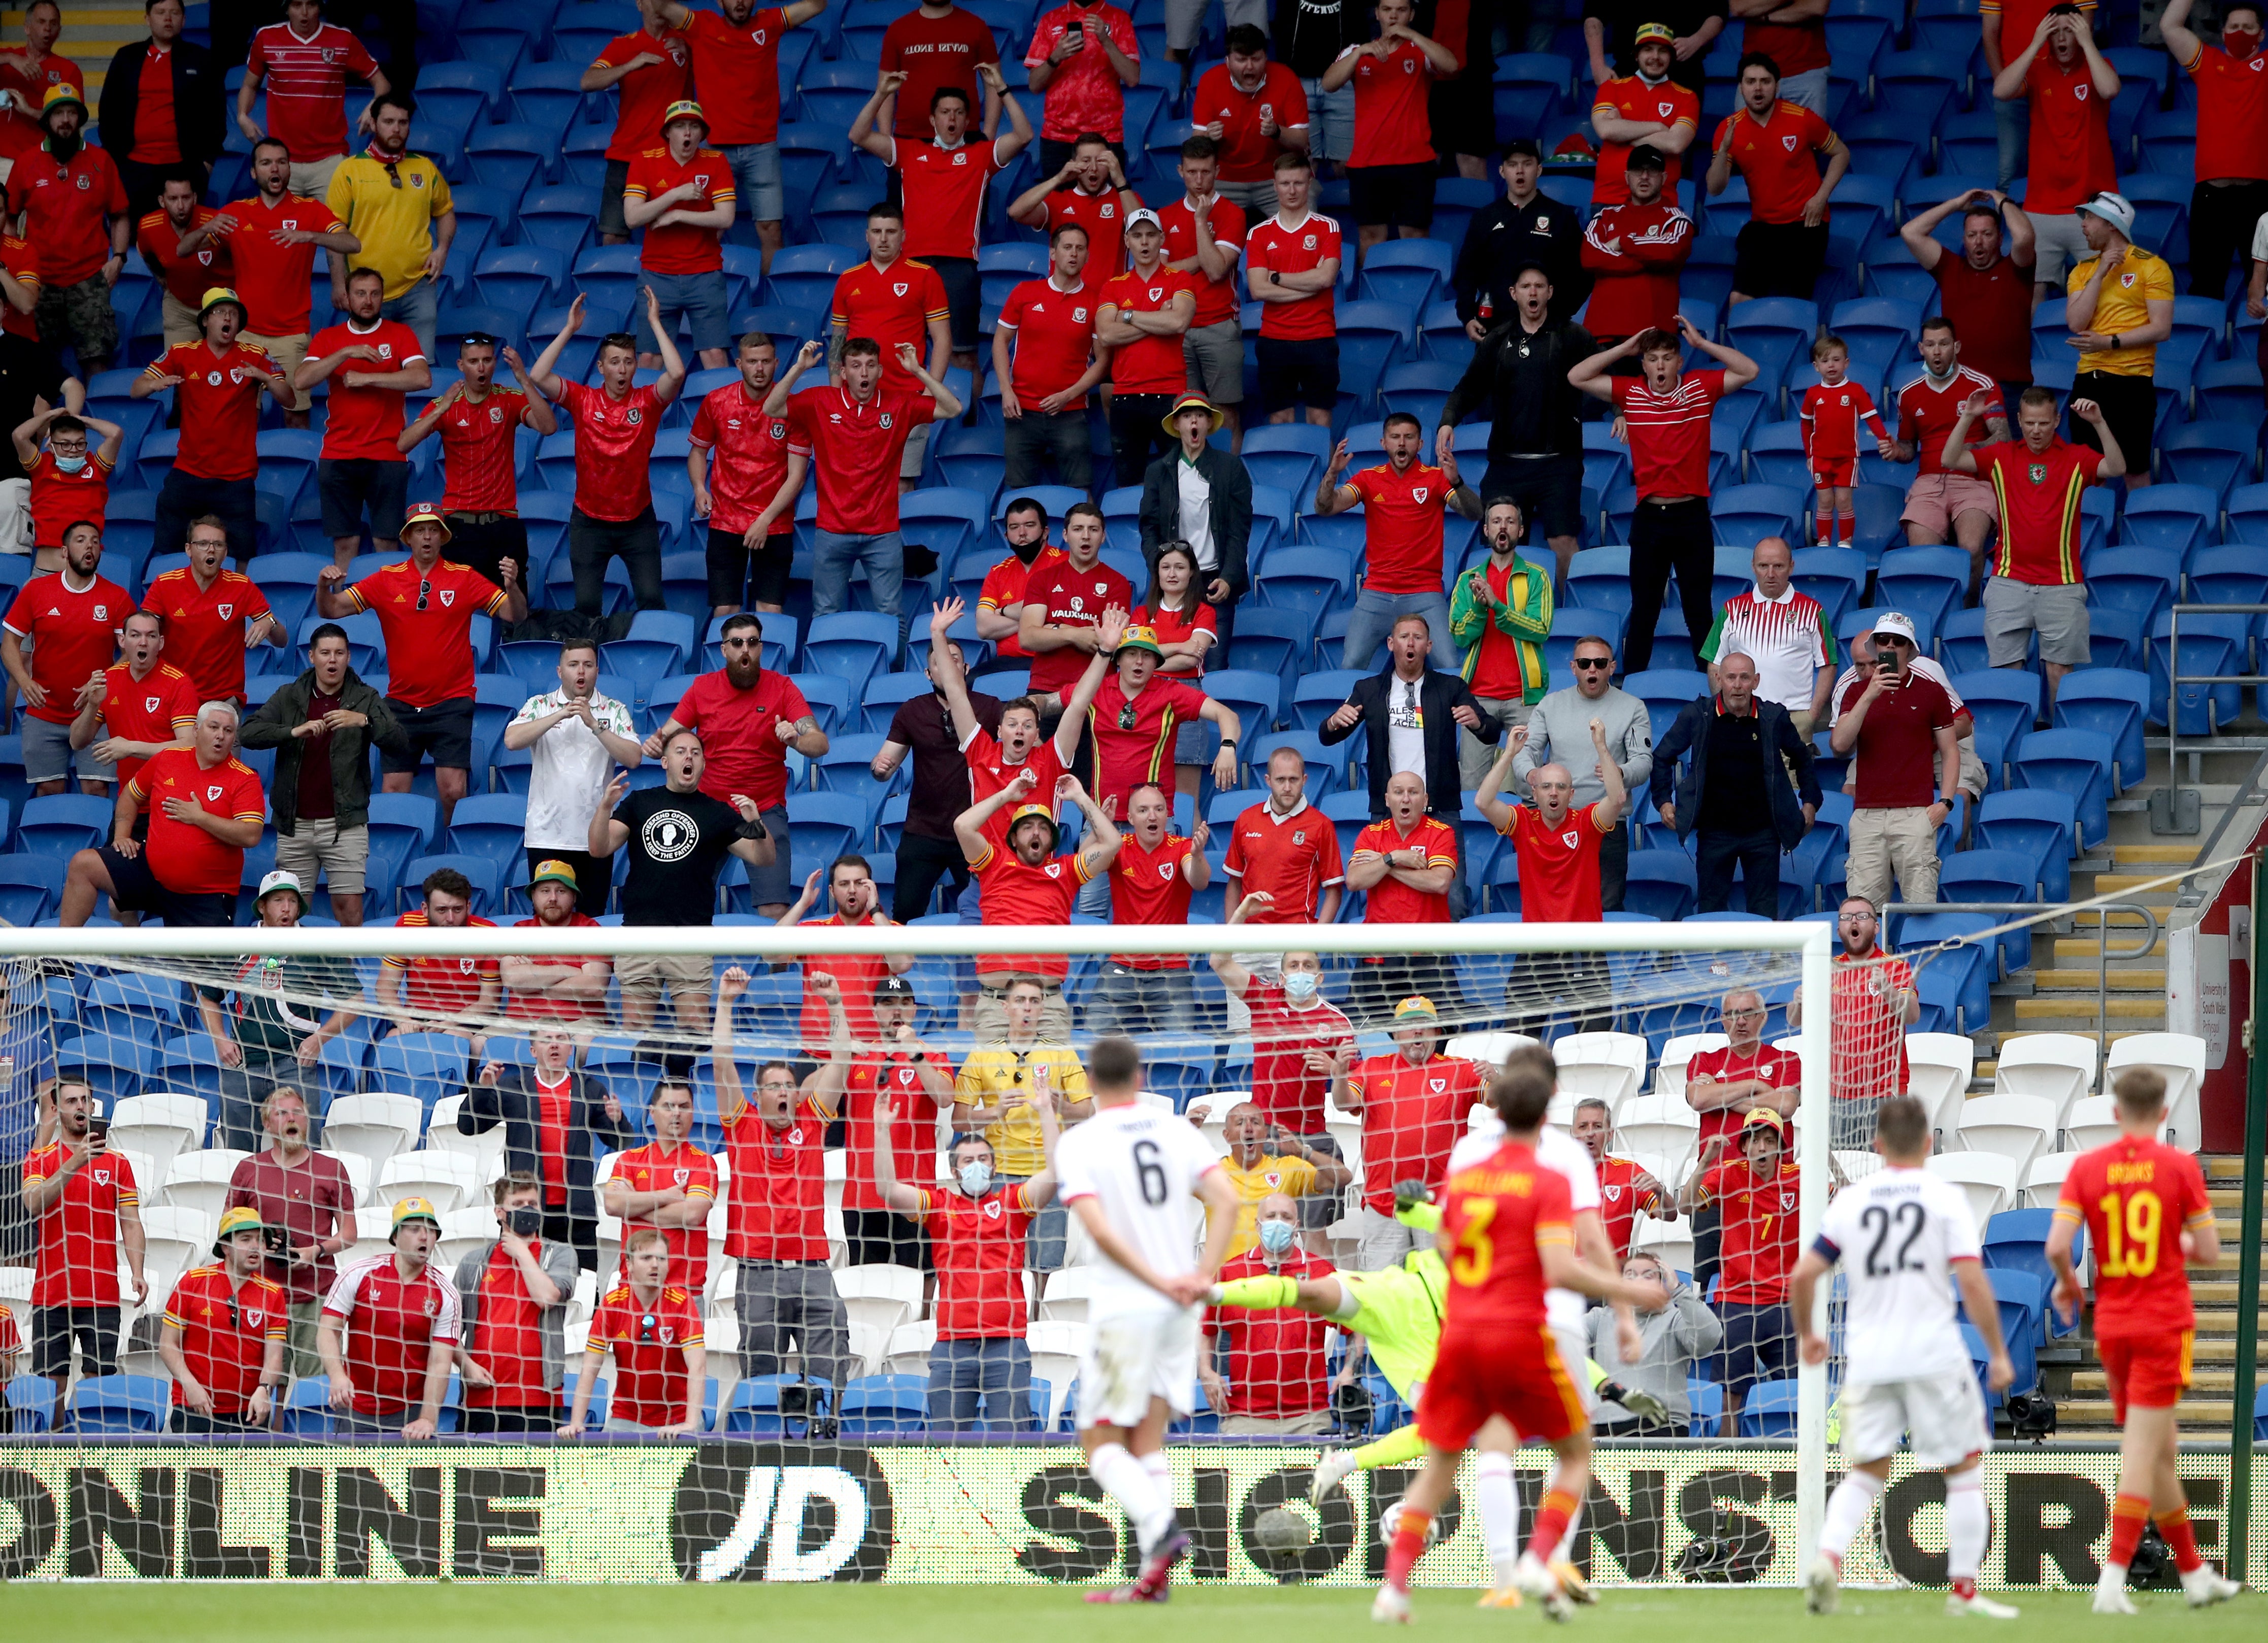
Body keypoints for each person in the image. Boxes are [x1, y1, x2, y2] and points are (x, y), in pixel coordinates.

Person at [1370, 1055, 1658, 1621]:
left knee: (1455, 1457)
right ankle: (1544, 1560)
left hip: (1462, 1329)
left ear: (1492, 1105)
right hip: (1533, 1327)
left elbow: (1448, 1245)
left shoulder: (1468, 1162)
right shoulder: (1557, 1169)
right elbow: (1568, 1260)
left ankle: (1402, 1588)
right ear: (1551, 1103)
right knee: (1573, 1449)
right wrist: (1627, 1299)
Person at [1794, 1093, 2020, 1618]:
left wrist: (1808, 1333)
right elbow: (1971, 1278)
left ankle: (1828, 1556)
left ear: (1875, 1144)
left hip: (1869, 1356)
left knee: (1866, 1472)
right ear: (1926, 1142)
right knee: (1962, 1470)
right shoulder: (1942, 1197)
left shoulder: (1851, 1201)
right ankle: (1963, 1592)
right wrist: (1997, 1352)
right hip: (1932, 1352)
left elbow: (1804, 1275)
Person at [1053, 1034, 1239, 1603]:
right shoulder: (1176, 1130)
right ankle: (1152, 1581)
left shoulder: (1079, 1143)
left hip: (1127, 1307)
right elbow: (1227, 1201)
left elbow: (1102, 1232)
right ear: (1139, 1078)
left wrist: (1156, 1282)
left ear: (1087, 1082)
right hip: (1181, 1306)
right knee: (1148, 1441)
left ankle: (1160, 1532)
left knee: (1101, 1444)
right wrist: (1200, 1277)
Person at [2047, 1066, 2240, 1614]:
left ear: (2114, 1113)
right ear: (2163, 1114)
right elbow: (2208, 1251)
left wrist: (2066, 1286)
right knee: (2142, 1447)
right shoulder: (2177, 1167)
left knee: (2159, 1450)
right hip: (2161, 1323)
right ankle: (2112, 1576)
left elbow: (2058, 1244)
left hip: (2111, 1325)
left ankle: (2194, 1574)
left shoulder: (2087, 1168)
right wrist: (2168, 1236)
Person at [1568, 320, 1761, 673]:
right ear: (1643, 364)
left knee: (1699, 612)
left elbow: (1750, 370)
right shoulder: (1631, 393)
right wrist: (1624, 349)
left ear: (1679, 362)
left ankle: (1711, 692)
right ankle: (1632, 693)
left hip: (1693, 516)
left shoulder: (1701, 388)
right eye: (1652, 358)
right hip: (1650, 518)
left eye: (1667, 358)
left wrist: (1702, 343)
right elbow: (1576, 377)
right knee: (1644, 612)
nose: (1660, 365)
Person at [317, 501, 523, 828]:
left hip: (453, 701)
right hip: (401, 703)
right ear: (408, 537)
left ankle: (451, 853)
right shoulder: (386, 579)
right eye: (419, 530)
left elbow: (515, 615)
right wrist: (322, 587)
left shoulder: (464, 577)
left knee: (453, 789)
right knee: (393, 792)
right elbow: (331, 611)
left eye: (433, 530)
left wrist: (512, 588)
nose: (427, 537)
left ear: (443, 537)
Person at [875, 1086, 1057, 1432]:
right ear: (955, 1171)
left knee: (1013, 1445)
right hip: (952, 1346)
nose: (977, 1166)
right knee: (946, 1444)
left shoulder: (1013, 1202)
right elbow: (887, 1189)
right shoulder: (939, 1205)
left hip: (1006, 1344)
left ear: (994, 1164)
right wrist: (882, 1130)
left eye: (983, 1159)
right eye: (968, 1161)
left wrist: (1046, 1111)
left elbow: (1055, 1173)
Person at [712, 967, 850, 1409]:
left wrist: (835, 1004)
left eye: (791, 1085)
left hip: (813, 1268)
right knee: (762, 1377)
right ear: (760, 1094)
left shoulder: (811, 1121)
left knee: (830, 1367)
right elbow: (721, 1060)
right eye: (775, 1086)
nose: (785, 1092)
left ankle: (830, 1433)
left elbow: (842, 1061)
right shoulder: (743, 1123)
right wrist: (727, 1002)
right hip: (758, 1271)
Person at [757, 337, 962, 631]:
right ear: (844, 372)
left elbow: (953, 408)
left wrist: (918, 371)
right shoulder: (820, 400)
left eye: (870, 366)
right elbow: (772, 408)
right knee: (825, 614)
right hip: (832, 531)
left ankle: (893, 678)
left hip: (882, 532)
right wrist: (799, 368)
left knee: (892, 617)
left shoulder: (900, 402)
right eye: (856, 366)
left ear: (880, 371)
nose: (863, 373)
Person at [1942, 387, 2124, 708]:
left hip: (2062, 584)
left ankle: (2059, 749)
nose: (2036, 430)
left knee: (2059, 671)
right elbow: (1949, 458)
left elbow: (2117, 468)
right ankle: (2012, 753)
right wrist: (1969, 416)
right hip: (2008, 581)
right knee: (2007, 673)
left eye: (2043, 423)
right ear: (2019, 421)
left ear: (2056, 421)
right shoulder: (2001, 456)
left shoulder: (2076, 458)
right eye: (2029, 423)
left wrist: (2099, 423)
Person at [588, 728, 779, 1033]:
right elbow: (599, 849)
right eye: (680, 752)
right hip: (639, 934)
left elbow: (764, 858)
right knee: (636, 1034)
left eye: (695, 753)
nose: (688, 757)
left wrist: (756, 822)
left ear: (703, 764)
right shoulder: (639, 802)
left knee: (694, 1032)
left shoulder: (717, 812)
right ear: (665, 762)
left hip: (692, 937)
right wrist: (604, 808)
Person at [851, 64, 1032, 377]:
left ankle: (970, 425)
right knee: (904, 358)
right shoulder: (910, 152)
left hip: (958, 268)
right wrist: (883, 92)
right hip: (911, 267)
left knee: (962, 360)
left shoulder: (982, 156)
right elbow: (859, 134)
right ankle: (915, 424)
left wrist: (1000, 86)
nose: (952, 118)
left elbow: (1025, 135)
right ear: (933, 120)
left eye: (959, 112)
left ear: (967, 120)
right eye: (945, 112)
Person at [644, 612, 822, 918]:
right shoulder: (702, 688)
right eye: (737, 643)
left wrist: (795, 739)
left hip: (764, 809)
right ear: (724, 650)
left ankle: (777, 969)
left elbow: (820, 744)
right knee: (686, 900)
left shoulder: (782, 687)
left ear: (761, 648)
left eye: (752, 642)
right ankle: (692, 967)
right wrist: (653, 745)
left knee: (775, 908)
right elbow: (666, 737)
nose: (745, 650)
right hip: (709, 809)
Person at [527, 290, 687, 616]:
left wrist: (655, 323)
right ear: (601, 367)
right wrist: (570, 329)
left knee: (652, 602)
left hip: (638, 521)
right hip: (589, 522)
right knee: (586, 607)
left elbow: (677, 374)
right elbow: (538, 376)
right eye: (615, 362)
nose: (622, 369)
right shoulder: (582, 400)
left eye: (629, 362)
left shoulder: (649, 401)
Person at [189, 137, 359, 431]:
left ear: (289, 169)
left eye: (281, 162)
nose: (275, 168)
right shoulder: (237, 213)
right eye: (266, 163)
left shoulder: (310, 210)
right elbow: (186, 250)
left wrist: (311, 236)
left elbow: (352, 243)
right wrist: (204, 228)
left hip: (291, 336)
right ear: (254, 172)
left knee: (296, 414)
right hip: (244, 336)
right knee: (240, 418)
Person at [236, 623, 401, 926]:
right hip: (294, 824)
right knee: (289, 912)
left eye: (339, 653)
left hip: (346, 823)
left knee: (349, 908)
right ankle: (293, 974)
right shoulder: (289, 696)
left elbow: (398, 739)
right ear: (312, 656)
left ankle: (349, 973)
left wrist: (364, 720)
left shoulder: (365, 697)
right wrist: (292, 731)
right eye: (325, 653)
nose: (332, 660)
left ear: (349, 657)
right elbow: (248, 734)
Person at [653, 0, 828, 275]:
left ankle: (771, 303)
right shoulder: (702, 25)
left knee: (771, 231)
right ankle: (698, 294)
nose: (740, 2)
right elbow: (661, 6)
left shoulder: (769, 23)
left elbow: (818, 5)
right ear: (720, 1)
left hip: (762, 148)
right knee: (705, 230)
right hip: (715, 150)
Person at [1440, 270, 1593, 583]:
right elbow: (1469, 387)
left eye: (1539, 286)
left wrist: (1619, 410)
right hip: (1507, 464)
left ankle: (1564, 620)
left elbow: (1604, 375)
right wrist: (1447, 421)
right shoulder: (1498, 339)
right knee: (1500, 540)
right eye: (1526, 286)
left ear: (1550, 292)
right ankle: (1504, 616)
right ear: (1514, 293)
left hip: (1559, 463)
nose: (1532, 292)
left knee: (1563, 542)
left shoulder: (1573, 336)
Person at [58, 699, 263, 928]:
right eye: (213, 727)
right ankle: (58, 956)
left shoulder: (244, 778)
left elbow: (251, 835)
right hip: (152, 876)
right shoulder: (168, 758)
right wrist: (121, 836)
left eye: (228, 731)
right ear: (196, 730)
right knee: (83, 864)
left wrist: (200, 817)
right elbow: (130, 795)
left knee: (203, 965)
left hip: (205, 895)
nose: (220, 736)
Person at [194, 869, 362, 1147]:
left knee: (303, 1152)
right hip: (243, 1063)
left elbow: (356, 1001)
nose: (286, 909)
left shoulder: (318, 947)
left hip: (295, 1063)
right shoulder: (236, 945)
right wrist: (220, 1040)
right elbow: (208, 998)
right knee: (236, 1154)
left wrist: (320, 1039)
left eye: (292, 901)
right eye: (277, 901)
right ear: (262, 906)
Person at [1650, 651, 1820, 916]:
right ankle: (1712, 960)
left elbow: (1803, 757)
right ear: (1718, 679)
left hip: (1764, 833)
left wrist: (1810, 803)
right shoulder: (1698, 715)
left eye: (1744, 678)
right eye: (1731, 678)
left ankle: (1763, 960)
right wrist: (1663, 802)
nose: (1738, 685)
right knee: (1711, 912)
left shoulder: (1773, 717)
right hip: (1714, 833)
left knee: (1764, 914)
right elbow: (1662, 757)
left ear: (1756, 681)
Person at [20, 1078, 145, 1423]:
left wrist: (137, 1271)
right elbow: (33, 1203)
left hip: (102, 1292)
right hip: (52, 1293)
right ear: (57, 1110)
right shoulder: (38, 1158)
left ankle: (94, 1465)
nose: (79, 1106)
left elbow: (131, 1222)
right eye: (72, 1100)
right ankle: (53, 1455)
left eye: (85, 1100)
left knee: (100, 1383)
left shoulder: (117, 1163)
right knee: (52, 1385)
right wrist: (74, 1163)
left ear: (93, 1108)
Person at [807, 970, 950, 1270]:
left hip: (916, 1193)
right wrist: (841, 1058)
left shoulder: (933, 1056)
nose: (896, 1010)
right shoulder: (859, 1056)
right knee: (864, 1284)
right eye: (887, 1003)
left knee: (920, 1279)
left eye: (904, 1003)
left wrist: (915, 1055)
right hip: (862, 1197)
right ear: (874, 1010)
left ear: (914, 1009)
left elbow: (945, 1098)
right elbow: (805, 1094)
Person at [956, 769, 1125, 1023]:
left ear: (1052, 840)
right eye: (1027, 827)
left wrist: (1080, 797)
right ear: (1013, 838)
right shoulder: (993, 864)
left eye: (1043, 828)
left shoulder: (1067, 871)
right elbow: (962, 826)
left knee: (1058, 1064)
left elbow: (1112, 842)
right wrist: (1006, 795)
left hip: (1049, 1004)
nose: (1036, 833)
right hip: (996, 1004)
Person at [1322, 614, 1500, 851]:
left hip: (1441, 808)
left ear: (1429, 646)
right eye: (1404, 637)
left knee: (1452, 887)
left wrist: (1478, 724)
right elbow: (1327, 737)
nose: (1410, 643)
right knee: (1385, 884)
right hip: (1387, 808)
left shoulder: (1451, 687)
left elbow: (1492, 733)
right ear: (1391, 643)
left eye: (1418, 638)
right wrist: (1334, 721)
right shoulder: (1368, 689)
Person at [134, 285, 290, 556]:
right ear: (206, 320)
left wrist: (264, 378)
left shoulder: (256, 354)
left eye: (233, 314)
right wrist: (155, 384)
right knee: (169, 545)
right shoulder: (182, 352)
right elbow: (136, 389)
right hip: (189, 472)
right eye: (220, 312)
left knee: (243, 553)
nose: (228, 319)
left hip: (236, 477)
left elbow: (289, 399)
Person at [1317, 412, 1481, 668]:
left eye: (1409, 437)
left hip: (1424, 592)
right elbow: (1325, 508)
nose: (1402, 443)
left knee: (1449, 666)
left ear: (1420, 444)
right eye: (1395, 437)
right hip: (1377, 592)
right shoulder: (1368, 478)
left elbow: (1474, 513)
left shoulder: (1435, 477)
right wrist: (1332, 474)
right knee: (1351, 665)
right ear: (1384, 443)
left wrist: (1456, 481)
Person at [464, 1025, 631, 1274]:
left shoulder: (590, 1089)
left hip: (576, 1215)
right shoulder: (514, 1086)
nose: (554, 1044)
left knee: (582, 1290)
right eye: (547, 1040)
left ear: (570, 1048)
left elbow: (621, 1142)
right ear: (533, 1050)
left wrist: (617, 1119)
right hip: (524, 1210)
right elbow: (469, 1126)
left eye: (561, 1039)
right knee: (517, 1286)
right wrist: (483, 1089)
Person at [395, 332, 556, 589]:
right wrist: (441, 409)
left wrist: (524, 380)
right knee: (460, 613)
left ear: (495, 362)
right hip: (460, 525)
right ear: (461, 365)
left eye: (488, 360)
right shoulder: (447, 405)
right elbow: (404, 444)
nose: (481, 368)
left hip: (504, 523)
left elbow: (548, 427)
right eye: (473, 362)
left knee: (514, 611)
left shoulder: (509, 398)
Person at [1673, 1106, 1798, 1436]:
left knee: (1795, 1389)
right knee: (1731, 1392)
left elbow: (1846, 1200)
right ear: (1744, 1146)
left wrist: (1828, 1161)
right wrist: (1706, 1160)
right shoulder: (1728, 1173)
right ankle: (1727, 1460)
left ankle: (1795, 1457)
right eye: (1755, 1140)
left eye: (1770, 1140)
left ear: (1780, 1148)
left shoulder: (1798, 1179)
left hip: (1785, 1301)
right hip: (1737, 1298)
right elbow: (1685, 1206)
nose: (1762, 1147)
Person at [296, 264, 429, 568]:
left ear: (382, 298)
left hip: (387, 454)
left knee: (387, 542)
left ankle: (389, 613)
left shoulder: (400, 334)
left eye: (374, 294)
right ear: (347, 297)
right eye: (360, 294)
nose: (368, 300)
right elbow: (302, 380)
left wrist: (367, 379)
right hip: (338, 454)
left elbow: (422, 379)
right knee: (345, 543)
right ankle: (342, 615)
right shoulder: (330, 338)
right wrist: (346, 353)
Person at [953, 975, 1091, 1267]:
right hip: (1000, 1173)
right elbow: (958, 1121)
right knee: (1001, 1262)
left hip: (1048, 1173)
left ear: (1042, 1010)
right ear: (1006, 1008)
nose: (1027, 1009)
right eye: (1020, 1001)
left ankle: (1041, 1310)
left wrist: (1059, 1105)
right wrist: (996, 1112)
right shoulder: (982, 1055)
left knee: (1047, 1265)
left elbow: (1087, 1111)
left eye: (1034, 1002)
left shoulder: (1061, 1053)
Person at [1335, 996, 1483, 1268]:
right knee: (1384, 1295)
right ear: (1395, 1033)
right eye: (1410, 1025)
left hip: (1439, 1206)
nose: (1417, 1031)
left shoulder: (1459, 1069)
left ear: (1438, 1032)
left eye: (1425, 1025)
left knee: (1440, 1293)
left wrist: (1496, 1079)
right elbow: (1344, 1103)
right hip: (1384, 1204)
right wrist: (1340, 1074)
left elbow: (1498, 1099)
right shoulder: (1372, 1069)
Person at [1506, 632, 1650, 910]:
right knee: (1551, 905)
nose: (1592, 669)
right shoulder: (1550, 704)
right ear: (1573, 668)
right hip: (1556, 823)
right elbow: (1526, 749)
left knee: (1605, 909)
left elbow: (1643, 762)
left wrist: (1618, 773)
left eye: (1599, 663)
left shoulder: (1633, 707)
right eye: (1584, 663)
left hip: (1606, 824)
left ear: (1612, 666)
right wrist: (1531, 775)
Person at [1829, 612, 1961, 909]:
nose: (1890, 646)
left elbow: (1951, 751)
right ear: (1876, 646)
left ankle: (1917, 957)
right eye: (1884, 640)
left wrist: (1946, 803)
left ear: (1909, 649)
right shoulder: (1856, 691)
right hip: (1867, 815)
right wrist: (1869, 696)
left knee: (1922, 906)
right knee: (1864, 912)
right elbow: (1839, 743)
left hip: (1915, 812)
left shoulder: (1931, 691)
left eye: (1898, 641)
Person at [505, 640, 643, 917]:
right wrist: (561, 713)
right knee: (549, 916)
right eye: (573, 665)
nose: (581, 671)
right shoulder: (540, 705)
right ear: (560, 671)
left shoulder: (613, 710)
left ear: (596, 671)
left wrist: (594, 724)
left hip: (596, 836)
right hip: (547, 835)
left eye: (588, 665)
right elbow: (511, 740)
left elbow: (634, 758)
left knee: (593, 916)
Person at [877, 622, 1003, 922]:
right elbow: (884, 764)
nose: (947, 666)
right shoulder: (912, 711)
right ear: (928, 674)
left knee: (987, 913)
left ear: (966, 668)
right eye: (939, 661)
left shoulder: (991, 707)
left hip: (974, 831)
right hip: (923, 831)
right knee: (905, 913)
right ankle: (899, 970)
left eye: (954, 659)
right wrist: (880, 768)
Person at [224, 1086, 353, 1378]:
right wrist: (259, 1246)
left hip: (315, 1295)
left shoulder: (331, 1169)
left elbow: (349, 1234)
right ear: (268, 1125)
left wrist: (315, 1251)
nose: (291, 1119)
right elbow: (228, 1232)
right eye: (282, 1114)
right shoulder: (248, 1169)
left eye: (298, 1112)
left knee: (317, 1386)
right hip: (260, 1295)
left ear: (307, 1122)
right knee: (266, 1387)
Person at [1993, 5, 2118, 301]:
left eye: (2070, 31)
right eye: (2056, 32)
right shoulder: (2036, 71)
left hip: (2093, 208)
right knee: (2030, 297)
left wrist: (2088, 42)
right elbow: (2001, 90)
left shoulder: (2100, 66)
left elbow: (2110, 89)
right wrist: (2035, 43)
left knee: (2106, 295)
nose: (2063, 38)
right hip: (2042, 207)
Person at [5, 85, 130, 375]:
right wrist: (15, 263)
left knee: (97, 359)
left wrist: (119, 258)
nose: (65, 120)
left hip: (89, 279)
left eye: (72, 113)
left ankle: (95, 419)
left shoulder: (102, 161)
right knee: (37, 364)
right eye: (59, 113)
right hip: (38, 281)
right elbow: (9, 218)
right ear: (47, 120)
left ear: (81, 119)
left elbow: (121, 215)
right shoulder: (27, 162)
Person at [828, 204, 952, 494]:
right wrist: (836, 391)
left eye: (891, 232)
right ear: (867, 236)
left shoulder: (925, 276)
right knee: (856, 478)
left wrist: (930, 391)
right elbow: (838, 339)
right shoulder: (848, 279)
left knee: (901, 481)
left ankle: (897, 541)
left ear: (903, 236)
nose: (883, 239)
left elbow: (943, 339)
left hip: (907, 396)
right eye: (877, 232)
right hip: (856, 397)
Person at [1705, 51, 1845, 305]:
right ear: (1741, 87)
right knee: (1739, 299)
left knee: (1787, 300)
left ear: (1777, 86)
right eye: (1750, 82)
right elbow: (1715, 189)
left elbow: (1841, 154)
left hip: (1807, 223)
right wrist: (1723, 151)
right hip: (1763, 227)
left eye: (1765, 81)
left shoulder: (1801, 118)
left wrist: (1821, 198)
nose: (1758, 88)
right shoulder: (1729, 129)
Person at [1323, 0, 1457, 262]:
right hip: (1368, 162)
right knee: (1370, 239)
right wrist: (1361, 52)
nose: (1393, 15)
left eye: (1401, 10)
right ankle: (1370, 301)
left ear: (1412, 14)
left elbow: (1451, 66)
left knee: (1415, 235)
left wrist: (1412, 35)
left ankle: (1417, 297)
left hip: (1415, 161)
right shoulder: (1357, 51)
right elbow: (1329, 84)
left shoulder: (1420, 50)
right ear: (1377, 13)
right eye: (1387, 9)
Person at [3, 521, 128, 798]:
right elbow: (9, 644)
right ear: (64, 551)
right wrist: (24, 681)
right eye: (81, 540)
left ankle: (96, 844)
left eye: (95, 542)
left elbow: (132, 653)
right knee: (49, 790)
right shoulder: (37, 591)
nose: (89, 547)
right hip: (44, 711)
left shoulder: (117, 596)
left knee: (96, 789)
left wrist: (102, 682)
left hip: (96, 713)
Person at [323, 91, 453, 359]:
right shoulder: (349, 170)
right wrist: (339, 285)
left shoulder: (425, 168)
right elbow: (333, 231)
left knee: (420, 373)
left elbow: (445, 213)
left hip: (418, 286)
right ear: (373, 123)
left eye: (403, 123)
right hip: (366, 291)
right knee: (372, 371)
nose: (396, 129)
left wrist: (442, 250)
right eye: (389, 121)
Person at [1209, 899, 1356, 1135]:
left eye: (1308, 966)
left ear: (1319, 978)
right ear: (1282, 977)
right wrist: (1241, 914)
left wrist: (1336, 1072)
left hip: (1311, 1133)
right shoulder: (1264, 999)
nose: (1300, 972)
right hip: (1265, 1131)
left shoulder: (1337, 1022)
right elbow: (1219, 962)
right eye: (1294, 966)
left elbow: (1349, 1105)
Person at [318, 1195, 457, 1437]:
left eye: (431, 1231)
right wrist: (338, 1376)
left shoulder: (446, 1293)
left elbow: (440, 1362)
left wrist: (427, 1418)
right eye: (415, 1230)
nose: (425, 1237)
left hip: (410, 1414)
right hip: (355, 1406)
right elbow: (328, 1329)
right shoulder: (359, 1274)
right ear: (396, 1237)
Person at [450, 1171, 578, 1434]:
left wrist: (522, 1252)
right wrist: (466, 1365)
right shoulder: (473, 1263)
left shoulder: (560, 1254)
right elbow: (447, 1329)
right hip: (481, 1398)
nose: (527, 1210)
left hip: (540, 1400)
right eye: (518, 1205)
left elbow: (547, 1298)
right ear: (500, 1212)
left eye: (533, 1204)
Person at [1788, 895, 1920, 1148]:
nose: (1853, 922)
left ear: (1877, 927)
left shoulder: (1895, 967)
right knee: (1839, 1175)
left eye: (1862, 916)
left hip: (1885, 1093)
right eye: (1846, 918)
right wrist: (1798, 1001)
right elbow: (1794, 1021)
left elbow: (1912, 1015)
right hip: (1836, 1094)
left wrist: (1888, 990)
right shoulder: (1826, 969)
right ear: (1839, 929)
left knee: (1881, 1175)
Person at [1481, 710, 1630, 931]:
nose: (1553, 793)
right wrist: (1510, 753)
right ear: (1534, 793)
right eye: (1546, 787)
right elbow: (1483, 802)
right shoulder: (1522, 821)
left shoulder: (1586, 822)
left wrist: (1601, 746)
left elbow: (1618, 799)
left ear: (1571, 795)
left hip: (1585, 939)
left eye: (1561, 787)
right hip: (1539, 940)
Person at [686, 332, 804, 614]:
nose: (759, 369)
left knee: (770, 611)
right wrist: (700, 489)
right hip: (726, 521)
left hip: (774, 523)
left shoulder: (793, 408)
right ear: (739, 364)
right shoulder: (718, 402)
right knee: (725, 609)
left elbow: (797, 476)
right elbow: (698, 452)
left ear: (776, 363)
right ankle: (722, 660)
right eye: (753, 362)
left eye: (765, 362)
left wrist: (764, 520)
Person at [1202, 1191, 1336, 1432]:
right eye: (1271, 1215)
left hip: (1310, 1417)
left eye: (1285, 1217)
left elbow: (1355, 1323)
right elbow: (1206, 1328)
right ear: (1257, 1224)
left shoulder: (1321, 1271)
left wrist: (1348, 1371)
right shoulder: (1231, 1272)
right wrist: (1205, 1370)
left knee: (1316, 1472)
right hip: (1245, 1416)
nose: (1278, 1222)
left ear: (1297, 1226)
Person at [1084, 622, 1240, 829]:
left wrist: (1228, 747)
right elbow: (1052, 702)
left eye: (1147, 656)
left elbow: (1227, 715)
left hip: (1153, 821)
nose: (1139, 661)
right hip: (1102, 817)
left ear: (1156, 662)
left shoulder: (1171, 693)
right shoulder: (1097, 689)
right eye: (1131, 653)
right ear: (1119, 659)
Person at [2063, 192, 2171, 491]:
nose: (2083, 225)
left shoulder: (2153, 267)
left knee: (2135, 471)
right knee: (2085, 473)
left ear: (2111, 224)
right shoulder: (2083, 270)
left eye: (2090, 218)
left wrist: (2108, 342)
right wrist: (2099, 275)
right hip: (2087, 382)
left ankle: (2142, 538)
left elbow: (2162, 328)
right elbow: (2076, 322)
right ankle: (2085, 538)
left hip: (2132, 385)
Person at [2162, 0, 2268, 301]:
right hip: (2211, 197)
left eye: (2248, 28)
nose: (2240, 32)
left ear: (2261, 35)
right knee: (2206, 287)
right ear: (2222, 33)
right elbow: (2170, 26)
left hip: (2259, 196)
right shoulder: (2207, 62)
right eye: (2234, 27)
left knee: (2265, 290)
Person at [1890, 321, 2011, 585]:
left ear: (1956, 347)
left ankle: (1967, 617)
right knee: (1921, 557)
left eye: (1944, 344)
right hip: (1929, 482)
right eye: (1931, 345)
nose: (1937, 352)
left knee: (1970, 549)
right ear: (1921, 349)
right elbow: (1909, 448)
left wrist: (1968, 451)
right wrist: (1896, 451)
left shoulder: (1981, 384)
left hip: (1973, 480)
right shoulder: (1909, 394)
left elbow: (2003, 437)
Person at [622, 98, 735, 373]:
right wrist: (675, 195)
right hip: (657, 275)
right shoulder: (644, 161)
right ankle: (649, 418)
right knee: (649, 359)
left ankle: (726, 418)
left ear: (702, 134)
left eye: (694, 127)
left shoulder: (716, 161)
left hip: (705, 273)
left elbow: (726, 218)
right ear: (667, 133)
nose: (687, 133)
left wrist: (678, 215)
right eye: (680, 126)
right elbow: (632, 218)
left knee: (716, 356)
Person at [1898, 189, 2037, 411]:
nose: (1979, 242)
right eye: (1972, 235)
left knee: (2007, 447)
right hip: (1960, 386)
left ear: (2000, 238)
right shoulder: (1950, 268)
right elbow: (1910, 232)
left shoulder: (2016, 268)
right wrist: (1955, 204)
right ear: (1964, 240)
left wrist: (2003, 202)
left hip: (2010, 388)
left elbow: (2024, 237)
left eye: (1987, 234)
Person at [1088, 781, 1208, 1034]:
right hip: (1122, 965)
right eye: (1143, 810)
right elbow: (1084, 867)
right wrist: (1100, 831)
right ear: (1130, 817)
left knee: (1182, 1051)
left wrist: (1198, 856)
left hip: (1171, 970)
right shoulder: (1119, 846)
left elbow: (1199, 881)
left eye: (1159, 809)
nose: (1152, 816)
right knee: (1090, 1037)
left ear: (1168, 815)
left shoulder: (1183, 848)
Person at [1448, 497, 1553, 786]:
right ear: (1486, 530)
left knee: (1532, 787)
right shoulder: (1468, 579)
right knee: (1472, 786)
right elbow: (1459, 634)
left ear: (1520, 530)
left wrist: (1499, 607)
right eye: (1496, 521)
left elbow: (1541, 628)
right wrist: (1482, 608)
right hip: (1478, 698)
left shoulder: (1536, 576)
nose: (1503, 527)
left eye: (1510, 521)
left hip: (1525, 698)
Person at [994, 224, 1106, 490]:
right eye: (1067, 247)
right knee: (1020, 496)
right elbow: (1000, 341)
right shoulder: (1025, 292)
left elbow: (1103, 362)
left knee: (1080, 491)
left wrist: (1068, 395)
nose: (1073, 254)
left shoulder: (1096, 303)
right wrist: (1006, 392)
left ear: (1088, 256)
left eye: (1080, 249)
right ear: (1053, 253)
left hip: (1070, 412)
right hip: (1021, 411)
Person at [239, 0, 387, 200]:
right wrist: (241, 116)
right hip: (282, 160)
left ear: (321, 7)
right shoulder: (267, 38)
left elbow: (382, 84)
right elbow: (249, 85)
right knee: (282, 230)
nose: (305, 13)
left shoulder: (342, 39)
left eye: (311, 4)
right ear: (286, 8)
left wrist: (374, 107)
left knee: (333, 230)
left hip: (330, 160)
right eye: (297, 5)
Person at [565, 1227, 707, 1435]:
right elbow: (589, 1369)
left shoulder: (682, 1303)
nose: (655, 1265)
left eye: (662, 1258)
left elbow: (698, 1367)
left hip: (677, 1418)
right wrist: (576, 1423)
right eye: (646, 1258)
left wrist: (690, 1424)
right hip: (627, 1417)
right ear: (629, 1264)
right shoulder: (613, 1304)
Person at [159, 1205, 287, 1431]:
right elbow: (168, 1345)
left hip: (249, 1411)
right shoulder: (193, 1282)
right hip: (196, 1407)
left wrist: (265, 1389)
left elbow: (274, 1357)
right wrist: (190, 1386)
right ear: (226, 1247)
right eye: (246, 1239)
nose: (255, 1247)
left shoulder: (273, 1293)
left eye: (260, 1240)